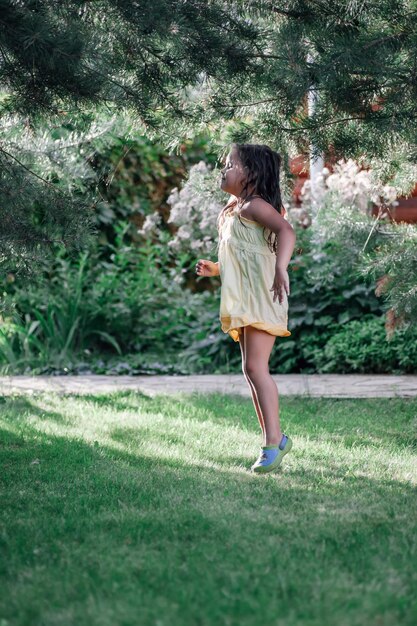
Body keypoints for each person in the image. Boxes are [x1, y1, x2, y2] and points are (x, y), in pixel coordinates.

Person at [195, 143, 296, 474]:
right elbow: (240, 257)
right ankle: (274, 440)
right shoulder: (233, 210)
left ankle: (273, 443)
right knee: (251, 370)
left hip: (263, 296)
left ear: (251, 174)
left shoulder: (255, 206)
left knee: (256, 369)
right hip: (247, 298)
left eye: (229, 165)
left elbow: (286, 231)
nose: (223, 171)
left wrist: (281, 268)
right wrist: (216, 268)